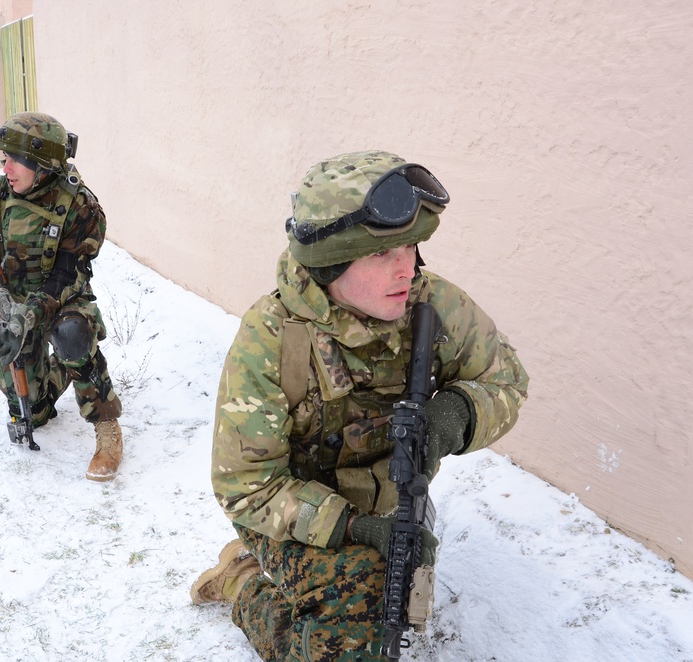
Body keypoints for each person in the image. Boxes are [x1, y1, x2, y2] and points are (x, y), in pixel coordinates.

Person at [189, 150, 529, 660]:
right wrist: (353, 527)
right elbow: (246, 486)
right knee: (349, 647)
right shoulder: (272, 337)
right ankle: (241, 582)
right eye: (382, 254)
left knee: (402, 610)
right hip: (290, 516)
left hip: (391, 501)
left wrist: (453, 416)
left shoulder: (431, 303)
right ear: (332, 262)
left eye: (412, 247)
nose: (406, 267)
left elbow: (506, 380)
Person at [0, 111, 124, 481]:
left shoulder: (79, 207)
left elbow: (66, 274)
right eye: (4, 159)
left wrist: (29, 315)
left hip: (61, 303)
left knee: (71, 336)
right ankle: (62, 370)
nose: (6, 167)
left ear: (44, 166)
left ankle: (106, 423)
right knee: (36, 411)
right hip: (12, 307)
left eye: (16, 160)